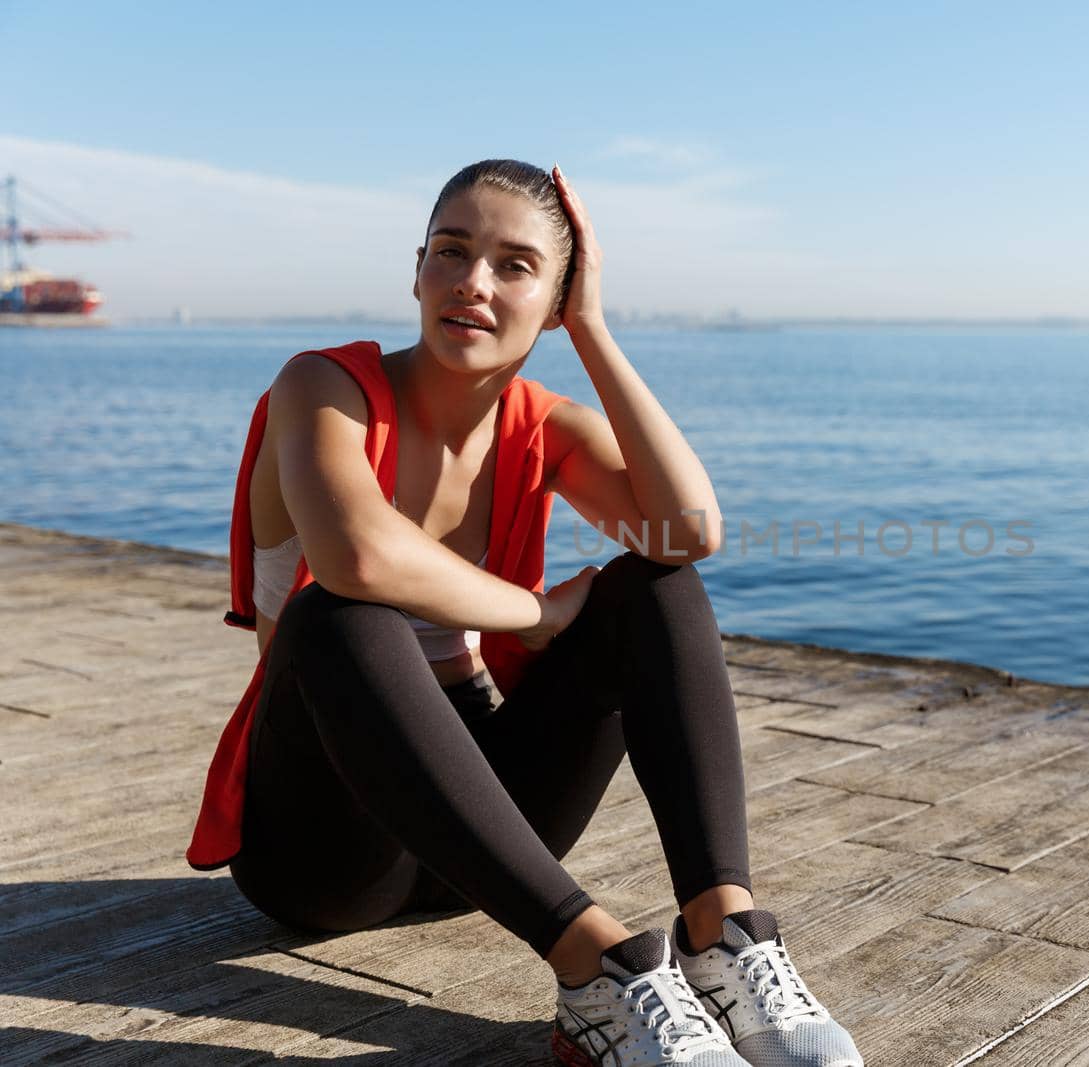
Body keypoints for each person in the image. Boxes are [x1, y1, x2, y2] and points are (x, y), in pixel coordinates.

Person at [186, 159, 864, 1067]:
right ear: (417, 270)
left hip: (475, 832)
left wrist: (592, 331)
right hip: (322, 842)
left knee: (650, 583)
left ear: (553, 298)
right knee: (341, 614)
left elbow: (689, 530)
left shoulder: (541, 423)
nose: (473, 281)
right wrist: (535, 615)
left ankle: (725, 933)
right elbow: (357, 555)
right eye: (452, 252)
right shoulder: (324, 389)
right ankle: (601, 970)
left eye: (515, 266)